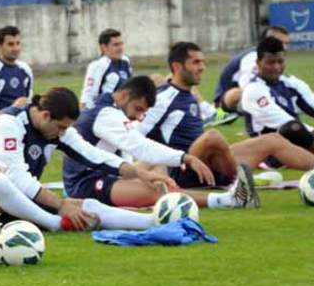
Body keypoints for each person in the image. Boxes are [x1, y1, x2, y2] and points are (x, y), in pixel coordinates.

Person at [139, 42, 314, 202]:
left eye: (203, 62)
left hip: (210, 163)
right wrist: (144, 170)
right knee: (212, 137)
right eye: (196, 62)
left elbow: (214, 116)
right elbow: (134, 135)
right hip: (184, 169)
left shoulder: (190, 95)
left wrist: (228, 112)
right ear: (177, 67)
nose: (202, 67)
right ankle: (240, 184)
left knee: (273, 140)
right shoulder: (162, 99)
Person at [0, 87, 163, 234]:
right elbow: (16, 176)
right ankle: (54, 224)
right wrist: (60, 205)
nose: (62, 133)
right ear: (45, 115)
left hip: (27, 205)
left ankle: (154, 221)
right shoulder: (7, 123)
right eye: (61, 127)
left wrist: (138, 173)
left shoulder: (56, 129)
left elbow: (93, 155)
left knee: (85, 206)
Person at [63, 76, 254, 209]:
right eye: (138, 109)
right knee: (157, 191)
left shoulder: (108, 106)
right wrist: (185, 158)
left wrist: (140, 174)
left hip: (108, 173)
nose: (138, 117)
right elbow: (139, 146)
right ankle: (227, 200)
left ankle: (222, 195)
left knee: (159, 168)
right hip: (86, 184)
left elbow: (129, 150)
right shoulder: (106, 114)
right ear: (124, 96)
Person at [241, 37, 314, 157]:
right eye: (270, 62)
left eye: (280, 61)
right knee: (294, 128)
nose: (276, 67)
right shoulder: (253, 90)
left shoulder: (291, 83)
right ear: (258, 63)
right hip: (268, 150)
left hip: (299, 138)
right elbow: (283, 121)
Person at [210, 26, 290, 125]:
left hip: (240, 103)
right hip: (221, 109)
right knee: (246, 90)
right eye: (280, 42)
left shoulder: (267, 57)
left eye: (286, 43)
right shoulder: (251, 57)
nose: (284, 47)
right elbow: (248, 87)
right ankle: (216, 115)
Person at [80, 29, 132, 109]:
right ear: (103, 47)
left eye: (121, 44)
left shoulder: (125, 61)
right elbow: (87, 97)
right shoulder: (98, 66)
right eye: (116, 45)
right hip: (104, 111)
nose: (120, 48)